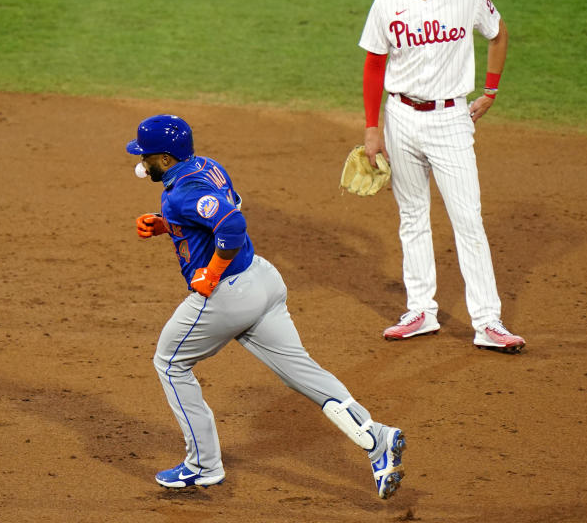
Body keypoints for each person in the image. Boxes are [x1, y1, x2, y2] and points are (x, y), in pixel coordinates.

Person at [126, 114, 406, 499]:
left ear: (167, 159)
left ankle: (202, 466)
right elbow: (222, 208)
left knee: (170, 362)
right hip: (264, 281)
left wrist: (210, 273)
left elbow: (232, 227)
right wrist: (168, 226)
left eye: (147, 156)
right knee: (302, 372)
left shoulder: (183, 191)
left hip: (229, 294)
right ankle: (377, 439)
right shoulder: (206, 167)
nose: (142, 162)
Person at [357, 0, 526, 353]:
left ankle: (487, 321)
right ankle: (420, 311)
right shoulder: (386, 3)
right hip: (400, 118)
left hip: (451, 119)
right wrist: (372, 129)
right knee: (412, 216)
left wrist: (490, 90)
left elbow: (498, 32)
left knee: (467, 220)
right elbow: (375, 65)